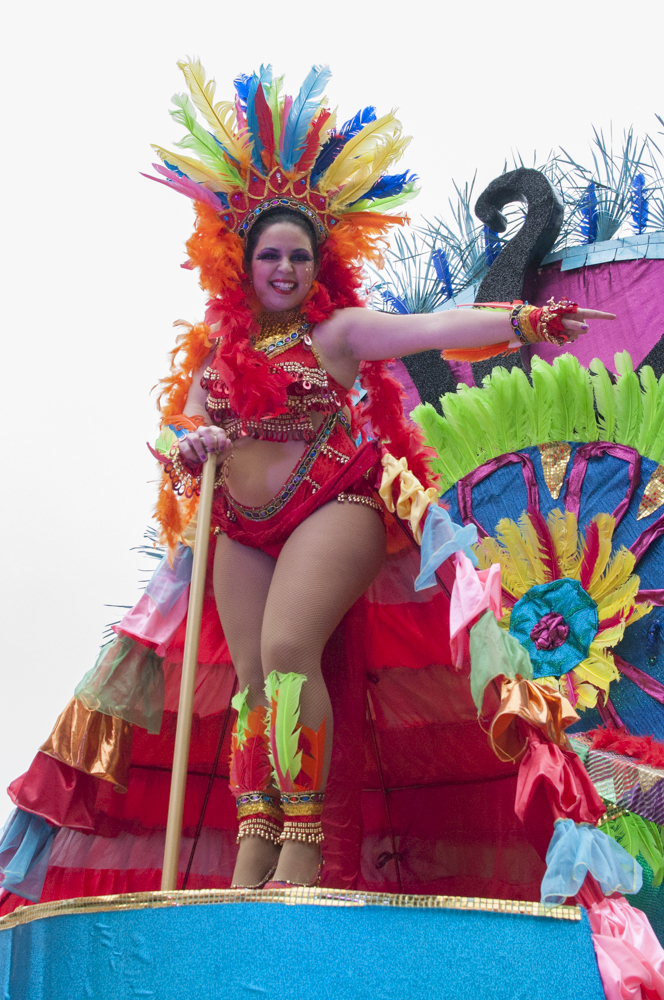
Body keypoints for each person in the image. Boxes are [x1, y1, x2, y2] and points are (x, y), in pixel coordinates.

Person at [0, 61, 613, 907]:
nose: (284, 268)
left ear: (317, 265)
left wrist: (527, 320)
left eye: (298, 255)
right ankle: (254, 840)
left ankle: (303, 842)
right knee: (255, 678)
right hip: (240, 524)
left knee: (289, 652)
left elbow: (433, 325)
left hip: (336, 506)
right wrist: (190, 443)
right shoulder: (217, 355)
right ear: (243, 264)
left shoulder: (339, 333)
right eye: (270, 255)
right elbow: (177, 430)